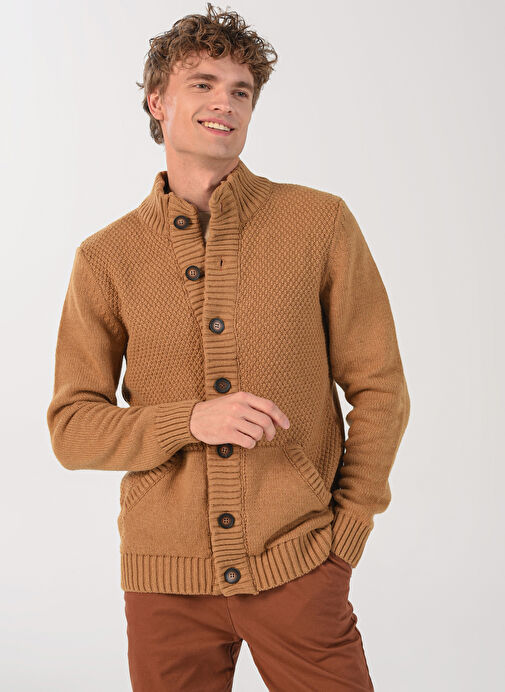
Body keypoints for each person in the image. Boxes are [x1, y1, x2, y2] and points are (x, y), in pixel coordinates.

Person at [46, 3, 410, 690]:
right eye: (203, 84)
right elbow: (71, 429)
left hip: (299, 563)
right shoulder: (106, 257)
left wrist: (345, 535)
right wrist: (190, 420)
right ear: (157, 101)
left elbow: (381, 387)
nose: (225, 103)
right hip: (163, 584)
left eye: (241, 91)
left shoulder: (318, 222)